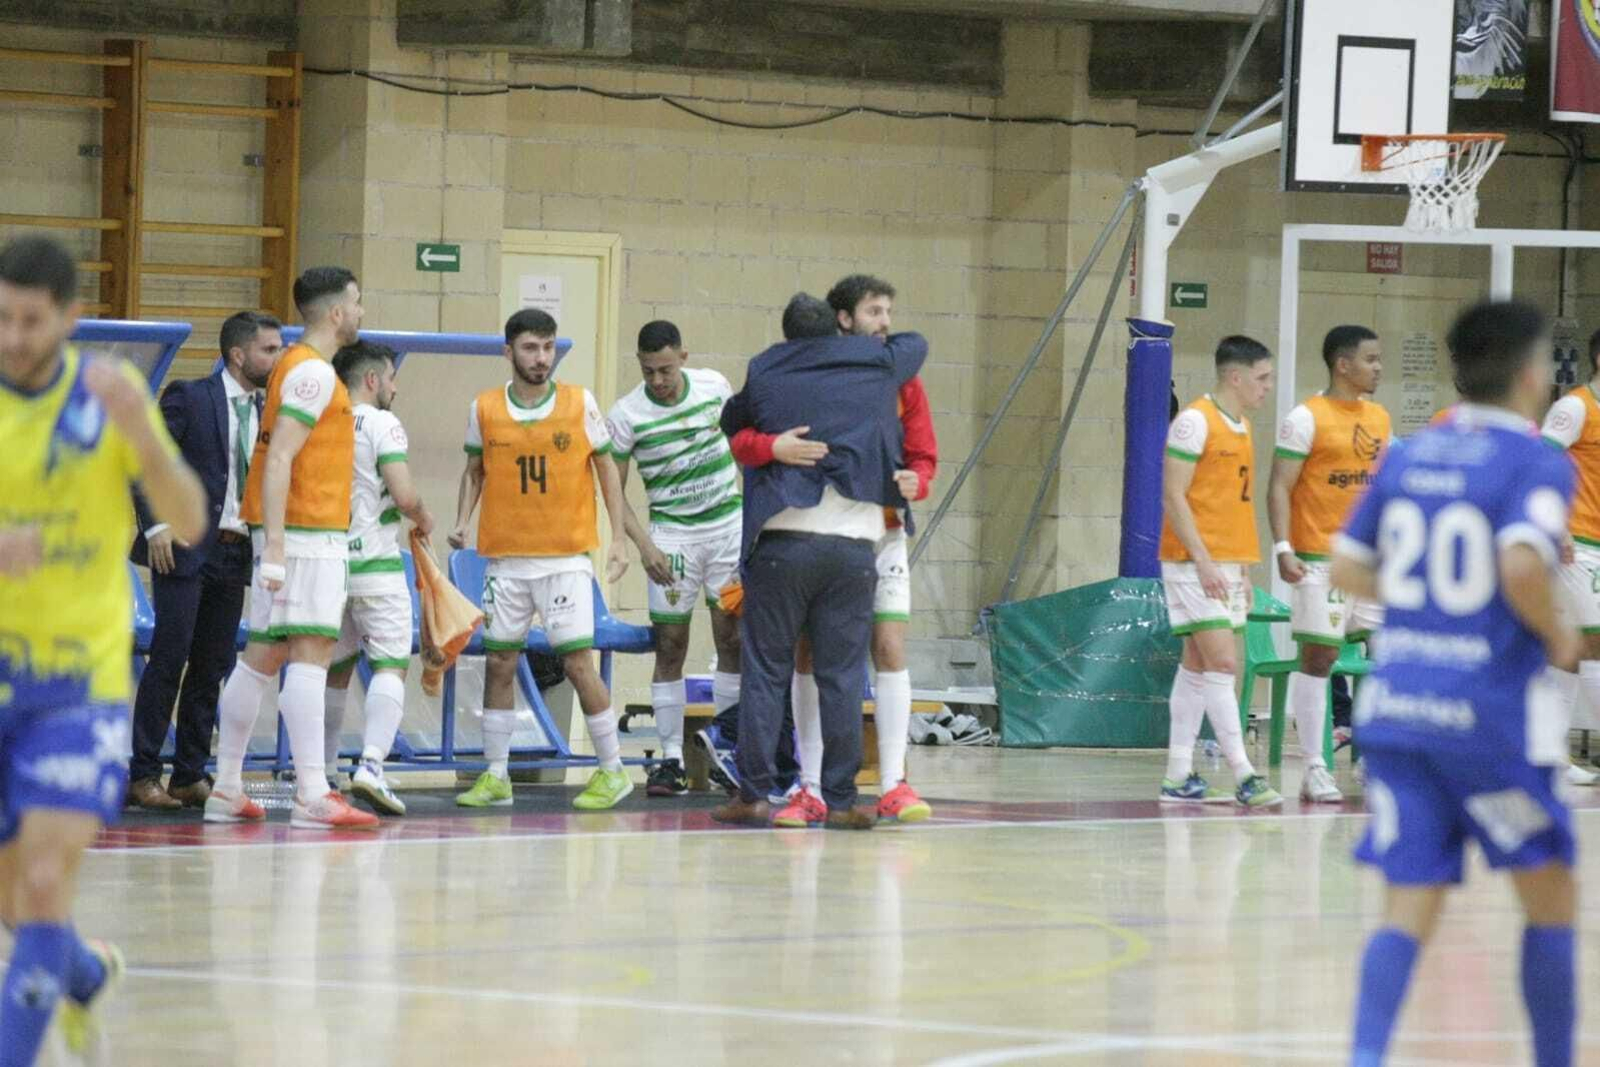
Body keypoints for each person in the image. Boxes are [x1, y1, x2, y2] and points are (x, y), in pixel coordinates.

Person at [1333, 300, 1578, 1067]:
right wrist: (1557, 632)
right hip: (1486, 722)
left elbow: (1345, 563)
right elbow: (1520, 562)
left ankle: (1365, 1055)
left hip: (1397, 712)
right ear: (1531, 372)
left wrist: (1428, 607)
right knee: (1551, 894)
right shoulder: (1536, 461)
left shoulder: (1409, 455)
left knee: (1408, 904)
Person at [0, 235, 207, 1064]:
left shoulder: (106, 398)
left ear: (70, 318)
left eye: (30, 320)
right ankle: (83, 973)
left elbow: (190, 521)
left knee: (44, 882)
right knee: (20, 905)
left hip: (78, 684)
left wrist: (147, 445)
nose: (13, 336)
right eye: (2, 318)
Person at [730, 274, 939, 826]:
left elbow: (924, 453)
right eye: (874, 311)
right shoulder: (847, 369)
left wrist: (919, 479)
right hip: (841, 540)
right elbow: (740, 437)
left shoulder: (898, 376)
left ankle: (892, 781)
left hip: (879, 530)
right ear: (842, 320)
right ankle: (815, 786)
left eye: (889, 311)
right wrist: (770, 445)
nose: (885, 322)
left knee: (887, 647)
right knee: (815, 659)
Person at [206, 266, 378, 830]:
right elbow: (279, 456)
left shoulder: (297, 367)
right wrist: (277, 546)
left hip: (293, 532)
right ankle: (311, 793)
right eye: (356, 302)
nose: (360, 312)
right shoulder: (314, 373)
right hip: (305, 533)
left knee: (263, 655)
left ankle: (226, 787)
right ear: (337, 311)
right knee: (311, 653)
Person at [448, 308, 636, 811]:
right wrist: (462, 520)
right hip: (505, 559)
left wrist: (618, 538)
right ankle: (496, 775)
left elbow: (607, 470)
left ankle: (613, 770)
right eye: (531, 348)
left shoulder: (580, 403)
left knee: (576, 662)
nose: (541, 358)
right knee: (500, 662)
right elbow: (474, 470)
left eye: (548, 347)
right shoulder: (484, 408)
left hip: (563, 558)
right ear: (508, 351)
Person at [126, 311, 282, 811]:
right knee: (170, 658)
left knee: (213, 664)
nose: (277, 358)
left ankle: (189, 773)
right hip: (186, 545)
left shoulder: (271, 409)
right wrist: (155, 526)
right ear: (238, 354)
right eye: (269, 350)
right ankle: (143, 773)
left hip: (236, 549)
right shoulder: (191, 396)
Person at [607, 320, 743, 797]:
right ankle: (670, 759)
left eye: (665, 369)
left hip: (727, 531)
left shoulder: (714, 387)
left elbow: (742, 449)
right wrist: (645, 547)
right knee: (670, 645)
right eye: (648, 371)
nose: (658, 380)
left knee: (732, 637)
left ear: (683, 357)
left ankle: (728, 750)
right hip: (673, 538)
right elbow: (613, 491)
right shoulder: (626, 414)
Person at [1267, 325, 1390, 803]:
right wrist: (1283, 547)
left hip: (1370, 560)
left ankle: (1373, 757)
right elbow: (1279, 486)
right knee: (1319, 658)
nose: (1378, 367)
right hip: (1319, 558)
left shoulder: (1379, 418)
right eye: (1370, 359)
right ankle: (1315, 766)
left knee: (1387, 655)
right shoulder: (1305, 418)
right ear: (1343, 365)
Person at [1158, 335, 1282, 808]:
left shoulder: (1243, 426)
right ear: (1235, 376)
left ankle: (1177, 775)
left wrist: (1243, 569)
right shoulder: (1194, 422)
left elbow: (1234, 504)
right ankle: (1244, 774)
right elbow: (1173, 495)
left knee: (1197, 664)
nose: (1267, 387)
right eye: (1262, 378)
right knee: (1224, 664)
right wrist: (1204, 559)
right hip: (1193, 561)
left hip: (1227, 561)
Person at [322, 341, 433, 815]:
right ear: (372, 380)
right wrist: (424, 517)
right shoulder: (382, 423)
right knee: (390, 665)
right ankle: (370, 765)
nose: (395, 387)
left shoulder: (323, 418)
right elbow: (404, 495)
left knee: (334, 667)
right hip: (377, 565)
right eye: (391, 377)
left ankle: (323, 771)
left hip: (330, 563)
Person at [1539, 326, 1600, 786]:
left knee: (1573, 650)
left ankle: (1549, 753)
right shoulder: (1575, 407)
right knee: (1592, 644)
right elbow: (1540, 466)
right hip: (1576, 542)